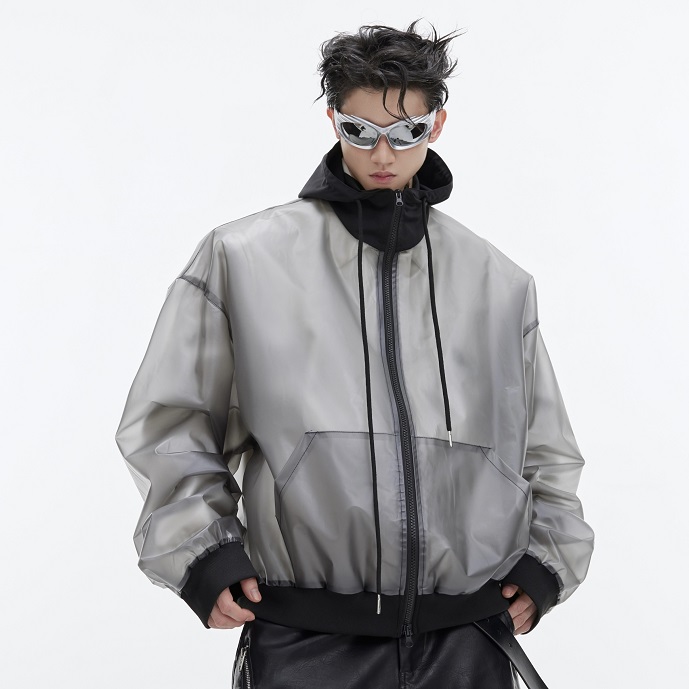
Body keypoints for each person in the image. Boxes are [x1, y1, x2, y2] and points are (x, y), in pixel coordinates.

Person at [115, 21, 594, 689]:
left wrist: (545, 563)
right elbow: (171, 421)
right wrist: (201, 555)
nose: (382, 153)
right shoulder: (244, 259)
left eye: (406, 132)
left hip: (466, 637)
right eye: (359, 131)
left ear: (437, 124)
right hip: (306, 639)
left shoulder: (497, 281)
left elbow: (545, 449)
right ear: (333, 120)